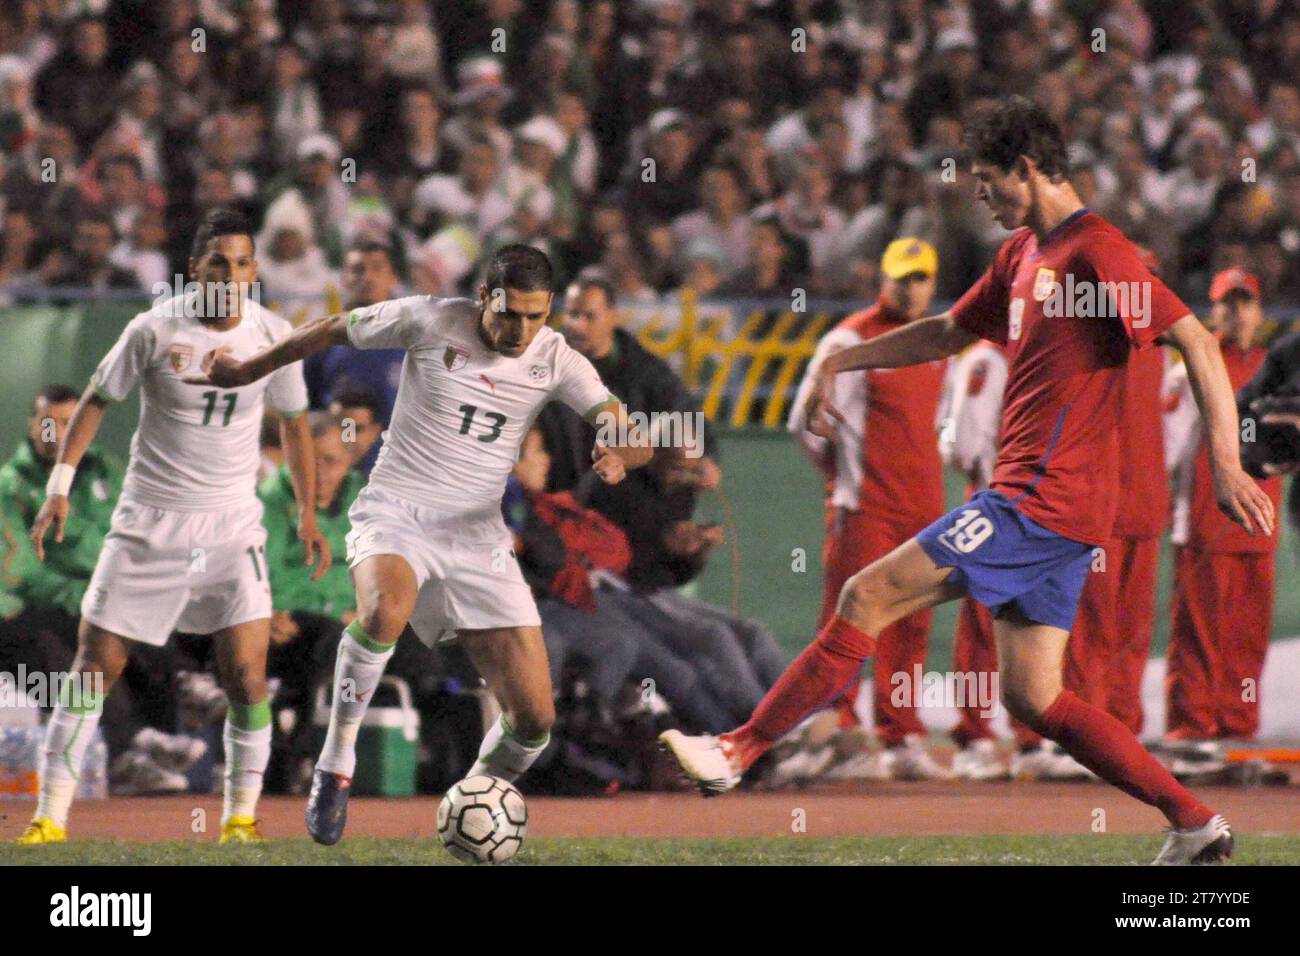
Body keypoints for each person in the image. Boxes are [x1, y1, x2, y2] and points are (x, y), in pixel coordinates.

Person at [660, 96, 1274, 866]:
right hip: (1053, 507)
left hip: (1038, 499)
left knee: (866, 595)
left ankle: (738, 750)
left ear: (1026, 169)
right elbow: (951, 331)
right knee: (1035, 697)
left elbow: (1195, 342)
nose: (978, 196)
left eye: (987, 180)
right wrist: (838, 358)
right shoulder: (1023, 253)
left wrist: (1224, 460)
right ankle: (1192, 823)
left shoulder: (1097, 250)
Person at [188, 244, 651, 845]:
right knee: (384, 609)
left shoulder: (556, 357)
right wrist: (248, 370)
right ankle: (335, 764)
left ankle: (474, 802)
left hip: (478, 534)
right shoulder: (432, 318)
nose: (520, 330)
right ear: (484, 297)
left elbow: (628, 430)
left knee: (534, 721)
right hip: (396, 511)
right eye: (509, 313)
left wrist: (619, 452)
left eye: (536, 317)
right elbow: (329, 329)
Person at [19, 208, 329, 846]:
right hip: (148, 521)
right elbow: (94, 404)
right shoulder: (153, 329)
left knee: (245, 672)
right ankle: (49, 819)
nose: (233, 274)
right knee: (92, 667)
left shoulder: (274, 334)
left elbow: (296, 425)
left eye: (244, 263)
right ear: (196, 268)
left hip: (231, 526)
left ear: (254, 272)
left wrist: (304, 512)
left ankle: (239, 820)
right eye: (220, 262)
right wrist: (59, 488)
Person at [787, 238, 951, 781]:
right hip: (867, 509)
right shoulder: (847, 339)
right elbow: (802, 422)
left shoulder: (936, 344)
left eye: (921, 278)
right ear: (883, 280)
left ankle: (900, 735)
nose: (911, 288)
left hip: (924, 510)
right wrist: (842, 481)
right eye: (902, 278)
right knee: (849, 621)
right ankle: (839, 732)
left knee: (911, 627)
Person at [1162, 268, 1281, 768]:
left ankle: (1237, 732)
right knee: (1199, 633)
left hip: (1259, 527)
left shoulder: (1274, 369)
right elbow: (1169, 450)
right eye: (1228, 304)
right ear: (1211, 311)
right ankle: (1190, 732)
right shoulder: (1187, 364)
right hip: (1207, 524)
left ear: (1259, 310)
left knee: (1247, 635)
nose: (1238, 313)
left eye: (1246, 303)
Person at [302, 241, 404, 472]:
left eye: (377, 268)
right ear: (344, 278)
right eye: (358, 269)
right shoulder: (322, 340)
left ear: (393, 278)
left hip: (400, 476)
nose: (367, 277)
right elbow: (306, 410)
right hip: (337, 475)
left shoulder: (413, 344)